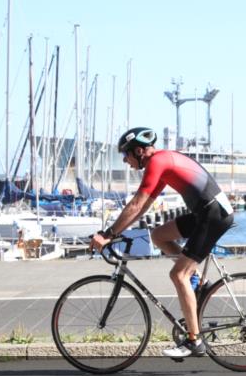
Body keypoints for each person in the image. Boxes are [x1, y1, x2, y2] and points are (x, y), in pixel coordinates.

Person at [90, 127, 234, 358]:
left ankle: (194, 341)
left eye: (125, 156)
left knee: (178, 275)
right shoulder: (161, 162)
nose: (125, 161)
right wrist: (115, 232)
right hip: (205, 213)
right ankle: (200, 283)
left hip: (213, 215)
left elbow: (137, 204)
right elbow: (144, 205)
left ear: (138, 151)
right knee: (158, 235)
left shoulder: (158, 162)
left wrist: (108, 234)